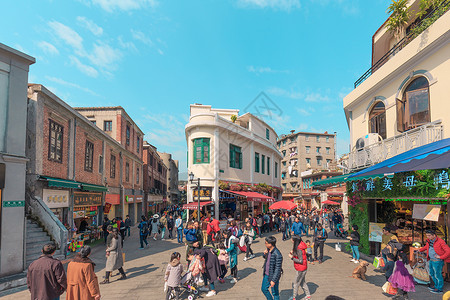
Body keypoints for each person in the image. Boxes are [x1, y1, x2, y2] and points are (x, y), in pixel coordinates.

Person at [418, 229, 450, 294]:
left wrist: (441, 257)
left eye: (429, 235)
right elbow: (426, 247)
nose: (428, 237)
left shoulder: (441, 241)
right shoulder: (429, 241)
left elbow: (448, 251)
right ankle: (436, 286)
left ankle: (439, 289)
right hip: (431, 260)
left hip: (438, 261)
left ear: (434, 235)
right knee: (432, 274)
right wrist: (419, 250)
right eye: (427, 235)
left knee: (437, 275)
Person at [289, 236, 311, 300]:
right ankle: (308, 295)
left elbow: (300, 261)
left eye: (292, 239)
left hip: (301, 269)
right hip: (302, 268)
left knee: (296, 283)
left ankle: (294, 297)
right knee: (302, 282)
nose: (290, 240)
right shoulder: (300, 246)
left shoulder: (299, 249)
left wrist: (292, 258)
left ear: (294, 241)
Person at [261, 236, 283, 300]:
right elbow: (267, 260)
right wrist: (264, 254)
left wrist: (273, 280)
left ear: (270, 244)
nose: (265, 244)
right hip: (267, 274)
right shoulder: (268, 250)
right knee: (264, 289)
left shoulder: (277, 254)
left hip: (274, 276)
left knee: (275, 292)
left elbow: (278, 269)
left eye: (266, 243)